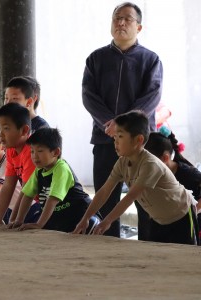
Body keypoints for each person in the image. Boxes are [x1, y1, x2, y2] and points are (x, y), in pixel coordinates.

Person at [82, 2, 163, 237]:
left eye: (128, 19)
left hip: (140, 142)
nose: (121, 22)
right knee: (106, 198)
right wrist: (111, 124)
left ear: (139, 27)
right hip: (106, 137)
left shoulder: (151, 59)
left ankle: (150, 248)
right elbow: (88, 96)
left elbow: (152, 95)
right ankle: (109, 250)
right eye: (117, 18)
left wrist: (124, 125)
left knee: (147, 200)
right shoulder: (96, 59)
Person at [73, 111, 197, 245]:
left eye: (120, 137)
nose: (116, 142)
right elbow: (104, 191)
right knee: (158, 259)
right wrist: (86, 217)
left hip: (182, 215)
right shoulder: (122, 162)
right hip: (157, 220)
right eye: (114, 138)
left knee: (185, 258)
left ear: (138, 140)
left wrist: (106, 222)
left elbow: (130, 197)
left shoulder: (150, 164)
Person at [9, 127, 101, 233]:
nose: (34, 156)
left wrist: (39, 224)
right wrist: (19, 220)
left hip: (81, 214)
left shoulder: (61, 168)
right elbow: (27, 195)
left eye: (39, 151)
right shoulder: (39, 171)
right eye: (32, 151)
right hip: (60, 218)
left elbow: (53, 199)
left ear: (56, 152)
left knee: (90, 225)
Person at [0, 76, 49, 175]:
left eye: (14, 99)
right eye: (6, 98)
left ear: (30, 101)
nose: (7, 103)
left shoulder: (41, 128)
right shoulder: (9, 144)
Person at [145, 126, 201, 241]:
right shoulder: (150, 173)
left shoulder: (188, 174)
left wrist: (193, 210)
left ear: (165, 158)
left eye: (149, 161)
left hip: (185, 224)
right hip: (160, 222)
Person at [0, 103, 41, 224]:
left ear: (24, 130)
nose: (0, 134)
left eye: (6, 128)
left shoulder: (31, 151)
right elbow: (8, 185)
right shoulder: (12, 150)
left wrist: (14, 219)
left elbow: (27, 191)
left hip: (62, 203)